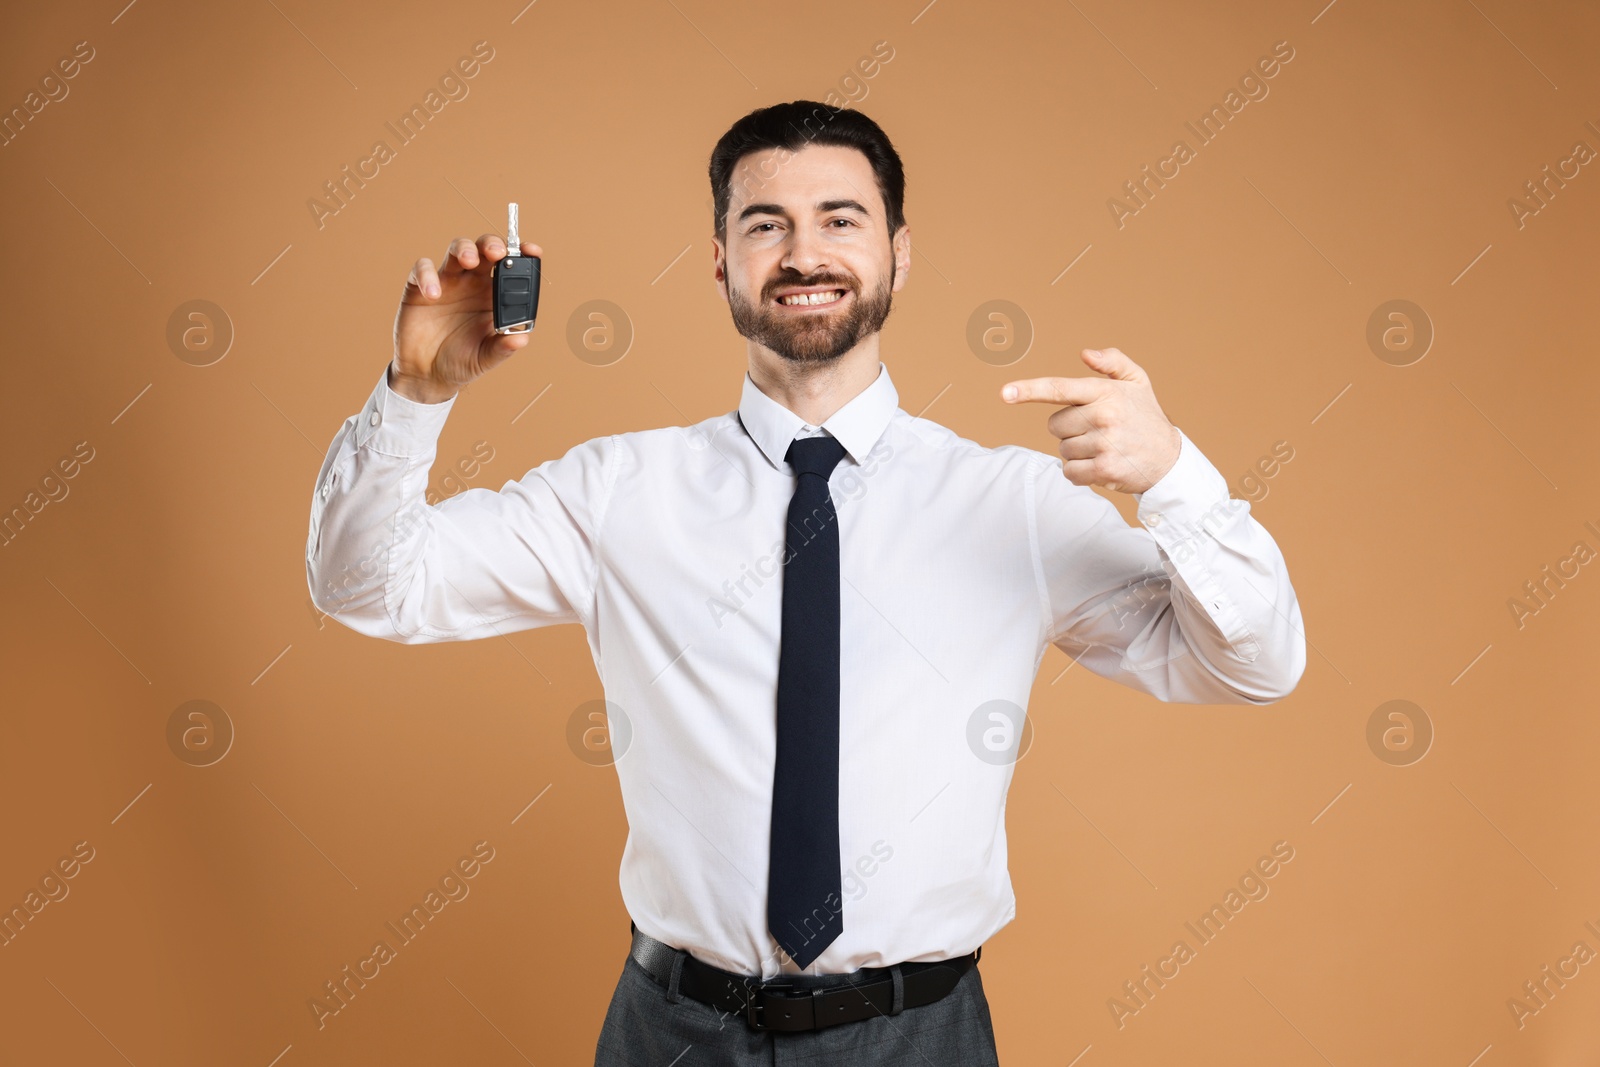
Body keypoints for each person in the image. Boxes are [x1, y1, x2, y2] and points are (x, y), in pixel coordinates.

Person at [305, 100, 1306, 1064]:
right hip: (672, 1030)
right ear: (719, 261)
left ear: (897, 252)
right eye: (765, 224)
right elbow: (369, 586)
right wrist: (414, 396)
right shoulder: (616, 493)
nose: (803, 254)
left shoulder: (1013, 504)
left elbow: (1253, 664)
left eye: (840, 219)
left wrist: (1176, 478)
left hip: (921, 1035)